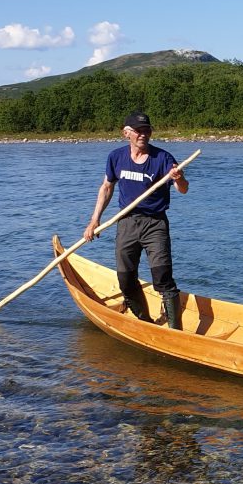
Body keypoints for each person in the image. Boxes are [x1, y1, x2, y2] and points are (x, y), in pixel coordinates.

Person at [82, 111, 189, 329]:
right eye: (138, 131)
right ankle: (144, 322)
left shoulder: (163, 159)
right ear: (126, 133)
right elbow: (107, 187)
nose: (143, 134)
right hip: (126, 223)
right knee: (125, 279)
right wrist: (94, 221)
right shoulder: (116, 157)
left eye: (147, 130)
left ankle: (176, 332)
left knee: (162, 278)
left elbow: (183, 190)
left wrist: (180, 178)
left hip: (155, 224)